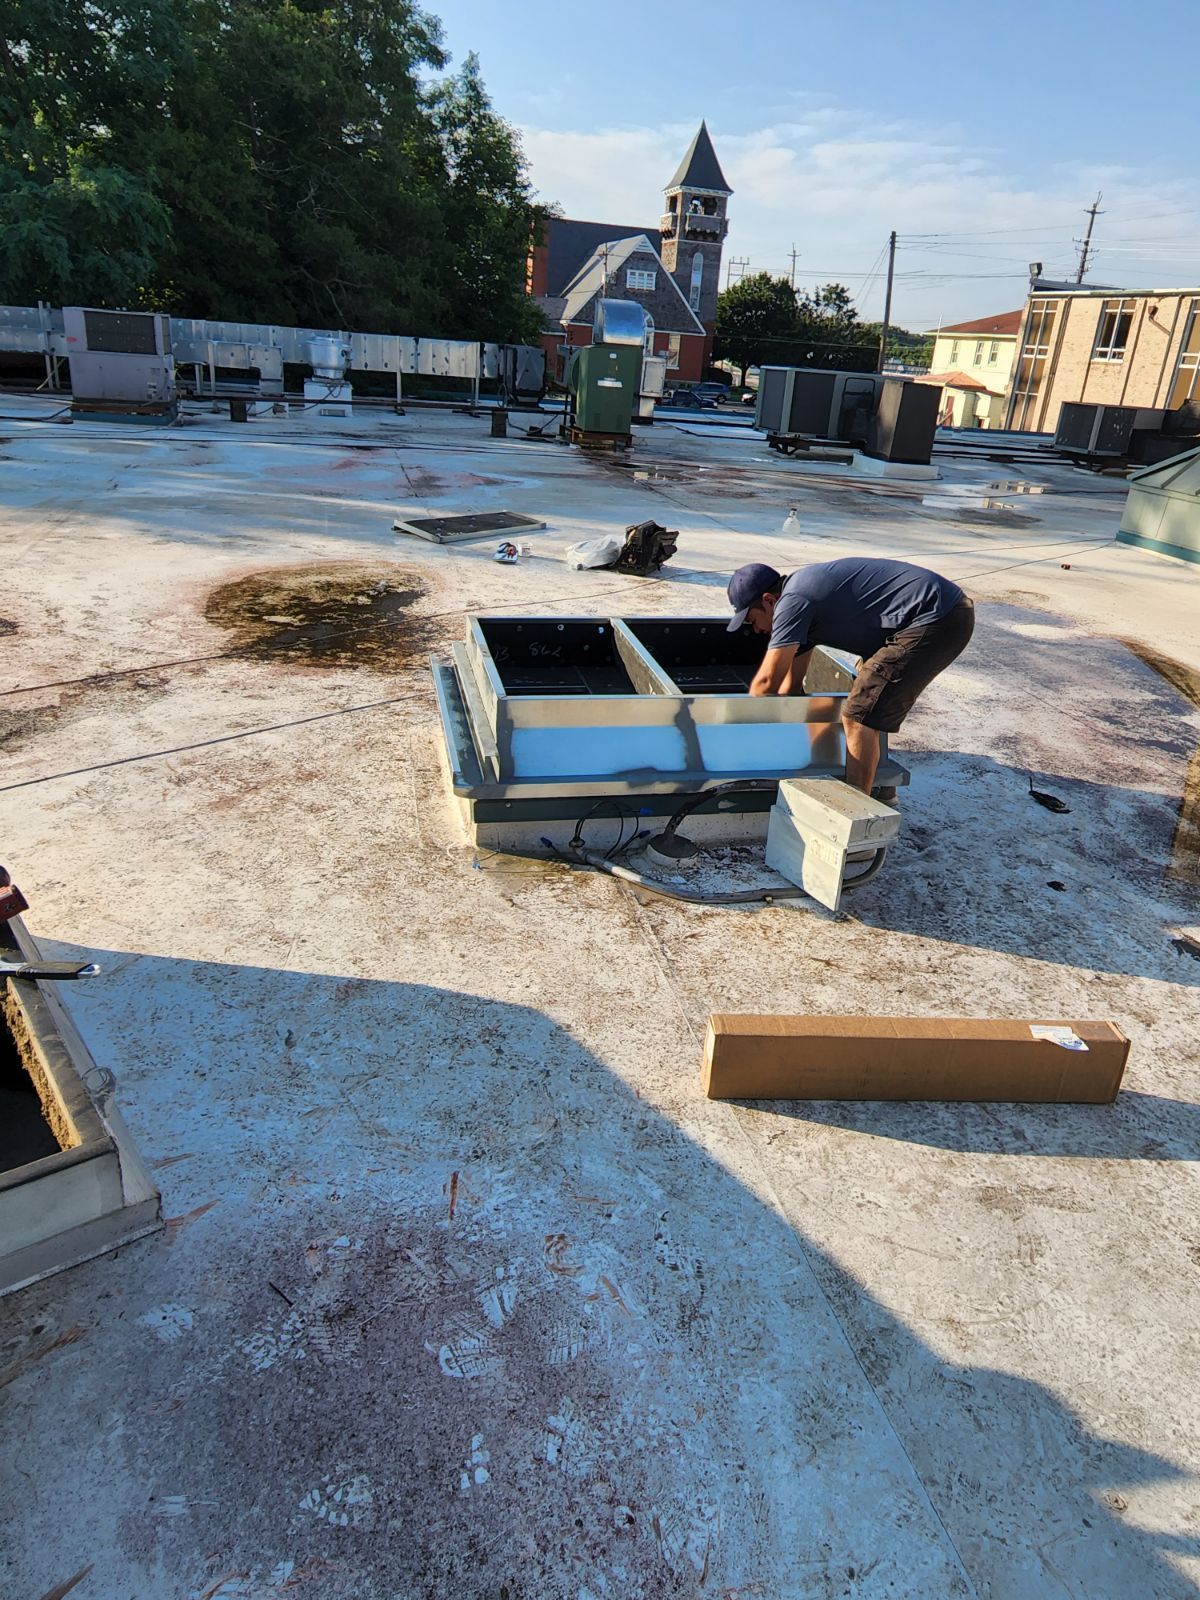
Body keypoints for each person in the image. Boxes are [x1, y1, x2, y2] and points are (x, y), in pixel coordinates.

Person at [726, 556, 974, 795]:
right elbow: (789, 687)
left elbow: (767, 683)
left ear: (769, 600)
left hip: (936, 617)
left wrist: (739, 734)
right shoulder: (800, 596)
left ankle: (857, 810)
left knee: (859, 714)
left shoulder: (793, 601)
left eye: (752, 619)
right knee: (868, 695)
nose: (757, 629)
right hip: (939, 611)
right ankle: (876, 782)